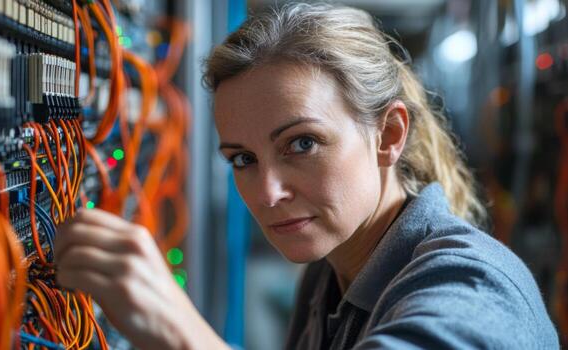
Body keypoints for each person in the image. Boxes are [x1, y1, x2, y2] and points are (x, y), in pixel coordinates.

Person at [55, 3, 559, 349]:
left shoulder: (471, 287)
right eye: (243, 159)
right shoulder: (329, 273)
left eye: (302, 143)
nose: (269, 193)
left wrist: (182, 333)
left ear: (388, 135)